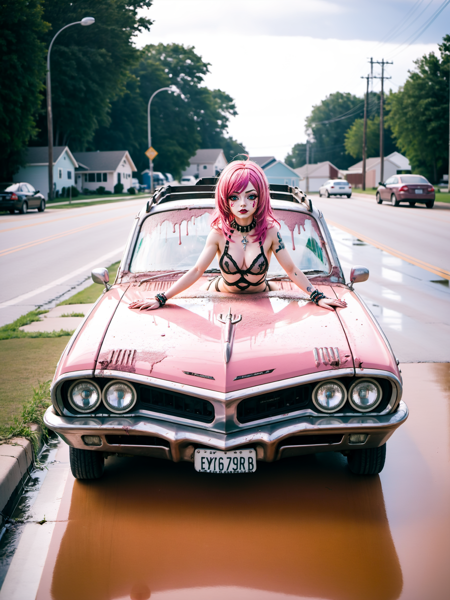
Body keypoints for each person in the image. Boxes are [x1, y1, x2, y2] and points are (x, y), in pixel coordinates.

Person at [128, 159, 347, 312]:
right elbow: (196, 270)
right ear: (225, 198)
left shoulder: (270, 232)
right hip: (219, 294)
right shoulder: (218, 233)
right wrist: (161, 298)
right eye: (234, 197)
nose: (242, 204)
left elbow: (291, 270)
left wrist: (317, 296)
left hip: (264, 297)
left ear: (260, 198)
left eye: (250, 196)